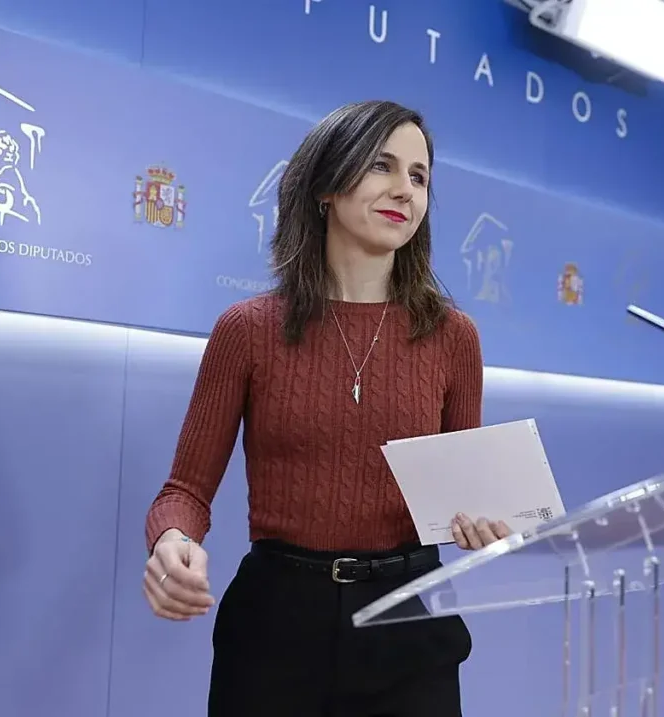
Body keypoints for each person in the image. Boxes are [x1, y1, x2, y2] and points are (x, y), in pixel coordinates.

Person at [141, 100, 512, 717]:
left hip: (407, 620)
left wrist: (476, 524)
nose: (405, 190)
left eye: (419, 177)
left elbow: (460, 499)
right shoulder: (248, 329)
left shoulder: (454, 337)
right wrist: (172, 540)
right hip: (275, 624)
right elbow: (183, 489)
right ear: (325, 187)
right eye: (382, 167)